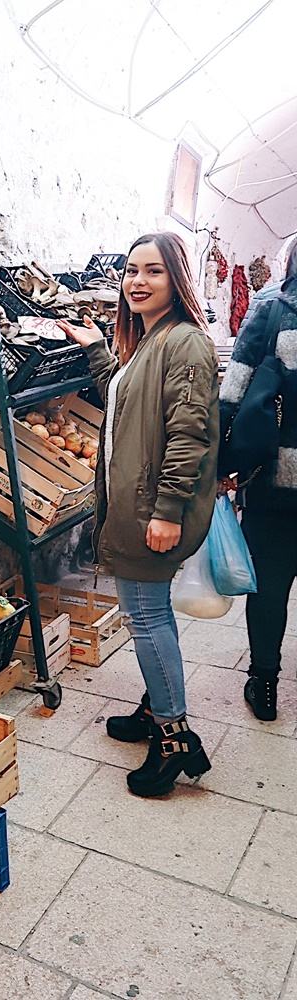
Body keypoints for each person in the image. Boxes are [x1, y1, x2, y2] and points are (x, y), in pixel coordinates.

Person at [57, 232, 219, 797]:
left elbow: (189, 433)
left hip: (152, 507)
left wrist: (168, 510)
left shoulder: (186, 344)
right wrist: (95, 348)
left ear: (176, 278)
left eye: (153, 271)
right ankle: (156, 711)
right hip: (134, 503)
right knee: (149, 614)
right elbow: (122, 399)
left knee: (145, 617)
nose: (137, 282)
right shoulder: (150, 342)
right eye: (131, 271)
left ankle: (174, 739)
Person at [218, 238, 297, 722]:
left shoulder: (271, 307)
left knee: (268, 584)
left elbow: (235, 388)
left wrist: (225, 464)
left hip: (273, 479)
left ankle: (264, 683)